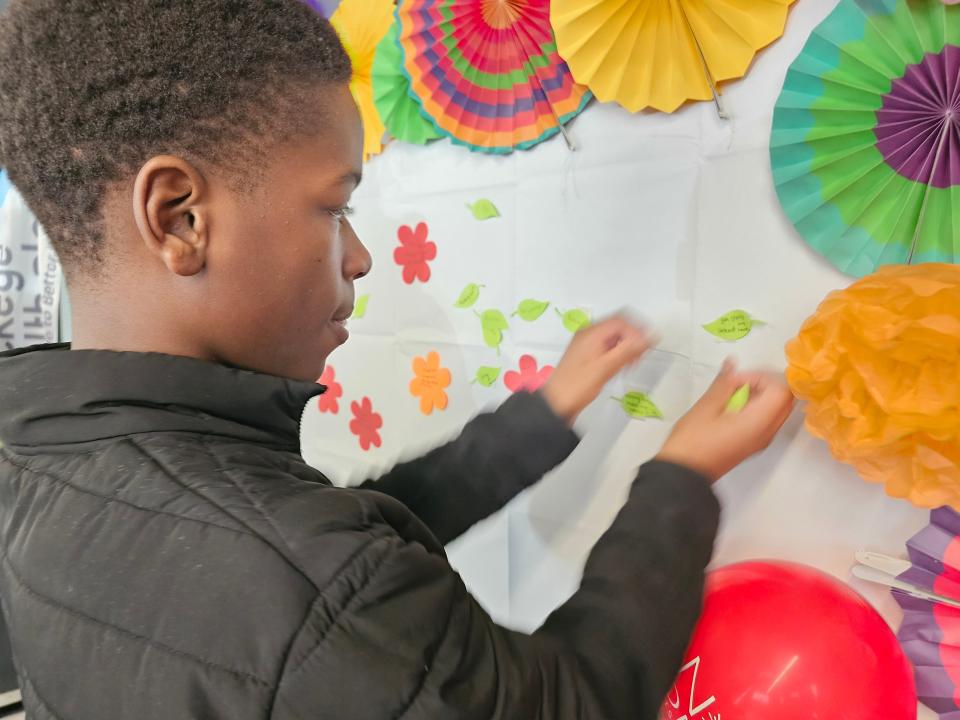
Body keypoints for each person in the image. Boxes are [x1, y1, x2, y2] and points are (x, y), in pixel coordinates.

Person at [0, 1, 795, 718]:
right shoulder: (296, 577)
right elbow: (570, 699)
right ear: (180, 218)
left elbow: (348, 543)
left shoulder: (40, 450)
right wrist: (681, 476)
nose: (361, 257)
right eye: (335, 207)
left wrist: (542, 418)